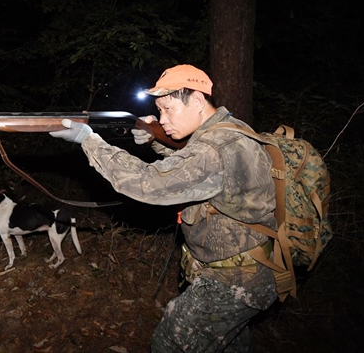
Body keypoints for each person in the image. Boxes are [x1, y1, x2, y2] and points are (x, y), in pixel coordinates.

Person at [50, 64, 278, 353]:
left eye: (168, 109)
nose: (162, 118)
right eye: (159, 111)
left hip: (235, 280)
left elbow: (149, 183)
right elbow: (197, 172)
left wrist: (89, 141)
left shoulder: (213, 149)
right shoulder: (230, 128)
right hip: (253, 268)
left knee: (169, 343)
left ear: (197, 100)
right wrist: (158, 142)